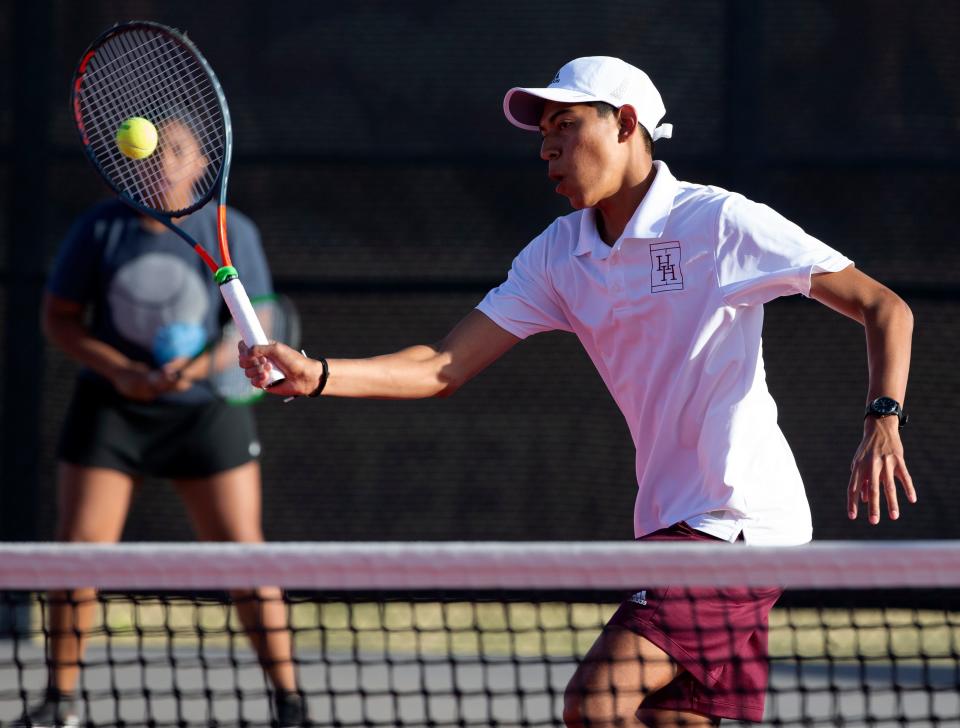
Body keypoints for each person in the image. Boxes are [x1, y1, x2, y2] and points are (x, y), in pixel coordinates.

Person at [238, 57, 915, 726]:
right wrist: (317, 373)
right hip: (668, 520)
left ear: (625, 124)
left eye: (565, 125)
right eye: (542, 136)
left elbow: (885, 307)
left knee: (595, 701)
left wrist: (882, 419)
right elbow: (443, 365)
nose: (548, 148)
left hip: (735, 521)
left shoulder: (719, 224)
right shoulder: (559, 256)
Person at [18, 117, 307, 728]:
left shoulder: (233, 233)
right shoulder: (101, 229)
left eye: (177, 150)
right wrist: (121, 371)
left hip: (204, 416)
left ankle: (291, 704)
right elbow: (61, 319)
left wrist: (197, 368)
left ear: (203, 163)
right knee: (76, 558)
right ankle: (57, 704)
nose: (161, 161)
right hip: (113, 412)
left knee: (245, 559)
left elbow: (256, 327)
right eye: (153, 150)